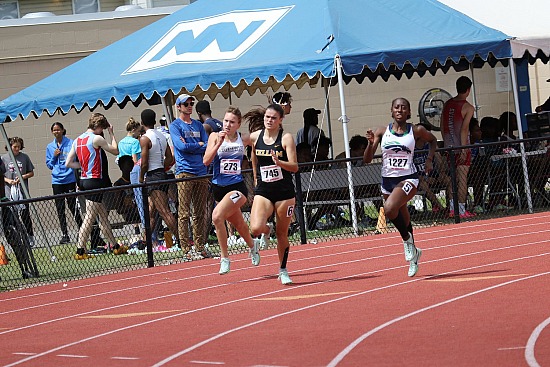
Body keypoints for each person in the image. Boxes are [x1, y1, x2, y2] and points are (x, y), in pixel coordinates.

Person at [363, 97, 437, 277]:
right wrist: (369, 143)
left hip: (408, 179)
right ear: (391, 110)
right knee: (404, 220)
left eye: (404, 108)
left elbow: (433, 141)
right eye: (397, 107)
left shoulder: (416, 130)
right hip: (388, 182)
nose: (400, 110)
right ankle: (414, 257)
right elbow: (366, 160)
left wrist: (429, 160)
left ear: (409, 112)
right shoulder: (381, 131)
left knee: (389, 210)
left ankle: (407, 241)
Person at [203, 106, 260, 274]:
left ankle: (225, 258)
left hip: (237, 189)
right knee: (240, 224)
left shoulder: (243, 139)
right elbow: (206, 161)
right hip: (219, 189)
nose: (227, 124)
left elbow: (262, 138)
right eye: (226, 121)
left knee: (217, 217)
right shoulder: (214, 136)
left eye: (232, 122)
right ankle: (253, 246)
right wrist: (218, 144)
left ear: (238, 124)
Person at [249, 103, 298, 285]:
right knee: (255, 228)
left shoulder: (286, 138)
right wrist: (255, 176)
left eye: (273, 118)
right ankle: (266, 230)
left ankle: (283, 270)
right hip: (264, 190)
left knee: (282, 234)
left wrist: (280, 163)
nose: (269, 121)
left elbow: (294, 167)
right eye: (267, 117)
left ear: (280, 120)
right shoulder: (256, 137)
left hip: (284, 193)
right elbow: (252, 153)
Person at [66, 112, 119, 260]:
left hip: (84, 179)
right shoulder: (97, 138)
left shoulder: (77, 140)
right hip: (95, 180)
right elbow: (115, 150)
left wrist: (83, 166)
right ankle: (80, 250)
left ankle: (115, 246)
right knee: (89, 217)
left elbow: (68, 163)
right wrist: (112, 134)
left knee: (102, 215)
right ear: (100, 127)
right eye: (102, 128)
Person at [169, 94, 210, 259]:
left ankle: (200, 246)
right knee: (184, 213)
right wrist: (197, 145)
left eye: (191, 103)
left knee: (200, 212)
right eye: (186, 104)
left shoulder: (199, 125)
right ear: (179, 107)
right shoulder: (175, 126)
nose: (189, 106)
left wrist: (195, 146)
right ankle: (186, 249)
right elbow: (181, 146)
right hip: (184, 171)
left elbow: (207, 145)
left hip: (200, 171)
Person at [139, 108, 179, 247]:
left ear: (142, 122)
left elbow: (144, 163)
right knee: (150, 211)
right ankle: (146, 241)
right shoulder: (162, 136)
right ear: (154, 120)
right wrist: (161, 164)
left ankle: (182, 239)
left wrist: (140, 178)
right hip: (162, 173)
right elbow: (170, 157)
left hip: (152, 176)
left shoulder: (145, 138)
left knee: (164, 211)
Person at [441, 76, 476, 218]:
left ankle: (452, 209)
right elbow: (464, 129)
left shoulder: (447, 103)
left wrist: (446, 143)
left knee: (453, 179)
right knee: (462, 179)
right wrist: (463, 148)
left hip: (449, 146)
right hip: (461, 146)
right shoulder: (468, 107)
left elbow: (443, 126)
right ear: (468, 90)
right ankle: (461, 210)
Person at [46, 122, 82, 244]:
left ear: (62, 130)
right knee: (60, 208)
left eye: (58, 129)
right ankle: (64, 234)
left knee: (73, 206)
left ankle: (81, 230)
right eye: (54, 130)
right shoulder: (50, 147)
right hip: (57, 181)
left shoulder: (71, 143)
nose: (56, 132)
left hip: (70, 179)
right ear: (52, 132)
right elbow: (49, 165)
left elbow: (77, 160)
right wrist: (54, 156)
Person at [2, 137, 35, 247]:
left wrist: (22, 177)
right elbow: (1, 176)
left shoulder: (24, 157)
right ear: (10, 146)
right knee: (12, 216)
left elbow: (31, 172)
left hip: (22, 191)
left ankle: (30, 237)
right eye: (15, 147)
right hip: (9, 191)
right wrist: (8, 180)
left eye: (19, 147)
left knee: (25, 215)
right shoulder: (4, 158)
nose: (17, 149)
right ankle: (18, 239)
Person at [117, 117, 142, 235]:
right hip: (134, 172)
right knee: (139, 198)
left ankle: (135, 225)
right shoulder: (135, 142)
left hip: (124, 172)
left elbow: (119, 158)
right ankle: (142, 222)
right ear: (134, 130)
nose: (139, 134)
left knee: (130, 200)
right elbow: (134, 158)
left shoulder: (121, 142)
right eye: (138, 131)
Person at [113, 155, 140, 242]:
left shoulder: (137, 180)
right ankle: (136, 230)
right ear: (121, 168)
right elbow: (119, 209)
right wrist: (130, 206)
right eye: (128, 165)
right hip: (130, 214)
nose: (130, 167)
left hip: (140, 210)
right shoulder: (119, 184)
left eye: (131, 165)